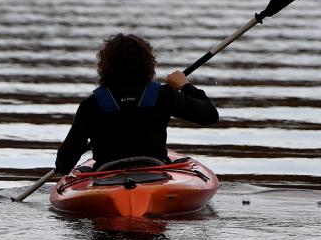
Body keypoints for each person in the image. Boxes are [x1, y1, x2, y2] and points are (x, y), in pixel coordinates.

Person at [54, 33, 219, 176]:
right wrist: (185, 86)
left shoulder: (92, 104)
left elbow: (65, 161)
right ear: (148, 64)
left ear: (105, 67)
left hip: (106, 175)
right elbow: (210, 116)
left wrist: (66, 164)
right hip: (155, 172)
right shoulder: (163, 95)